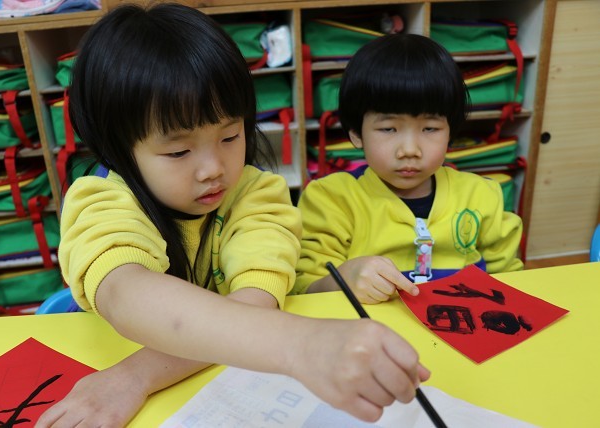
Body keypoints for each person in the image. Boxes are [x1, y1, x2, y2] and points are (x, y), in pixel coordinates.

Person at [37, 4, 429, 427]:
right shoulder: (101, 199)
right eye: (179, 151)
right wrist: (302, 344)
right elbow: (125, 293)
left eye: (229, 136)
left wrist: (138, 376)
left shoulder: (257, 194)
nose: (214, 169)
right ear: (119, 149)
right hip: (108, 371)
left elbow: (255, 301)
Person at [294, 34, 523, 303]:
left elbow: (512, 282)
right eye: (389, 129)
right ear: (356, 133)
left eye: (430, 128)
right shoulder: (331, 200)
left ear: (450, 131)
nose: (410, 150)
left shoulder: (481, 196)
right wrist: (342, 279)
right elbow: (303, 289)